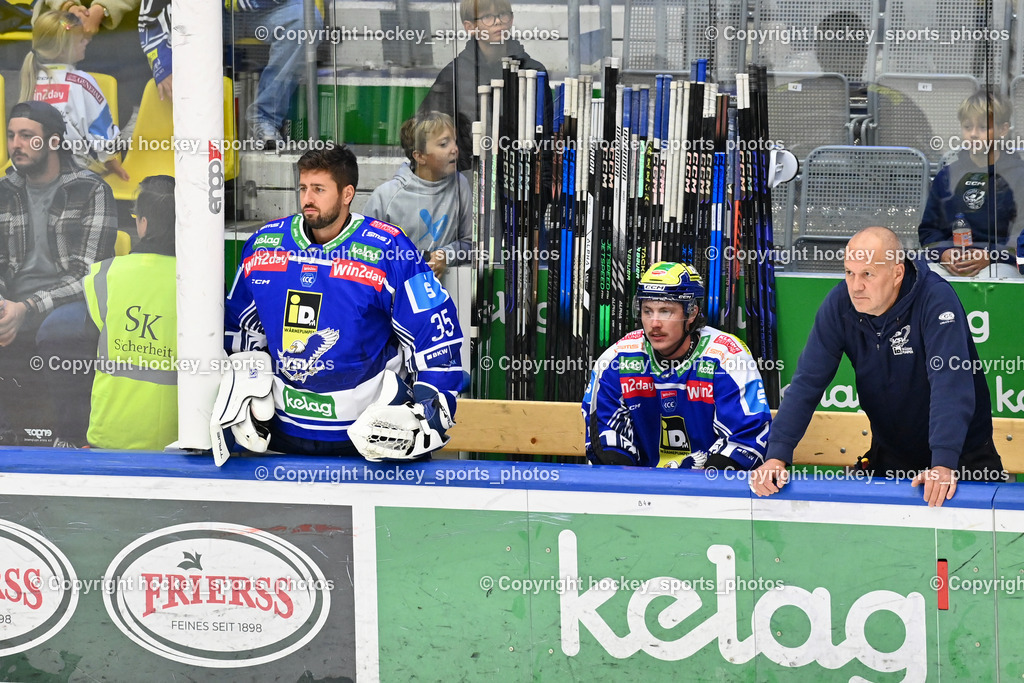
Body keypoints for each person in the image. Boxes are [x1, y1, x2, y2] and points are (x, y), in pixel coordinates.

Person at [218, 145, 463, 462]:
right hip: (279, 436)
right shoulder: (265, 246)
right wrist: (242, 385)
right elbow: (239, 329)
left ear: (347, 194)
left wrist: (429, 412)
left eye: (319, 189)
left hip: (371, 438)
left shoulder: (388, 248)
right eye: (304, 188)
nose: (308, 198)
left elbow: (435, 331)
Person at [752, 227, 1006, 506]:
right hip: (892, 461)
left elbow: (950, 384)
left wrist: (943, 463)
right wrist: (776, 456)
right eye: (849, 273)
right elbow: (806, 383)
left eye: (867, 274)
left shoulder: (935, 298)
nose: (856, 286)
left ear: (897, 274)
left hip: (961, 462)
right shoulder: (840, 304)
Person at [0, 100, 118, 447]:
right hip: (13, 302)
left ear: (53, 142)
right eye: (10, 136)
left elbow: (88, 274)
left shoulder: (90, 189)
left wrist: (27, 307)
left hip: (67, 301)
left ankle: (68, 437)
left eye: (26, 136)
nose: (15, 145)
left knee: (58, 330)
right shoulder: (4, 191)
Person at [582, 262, 772, 469]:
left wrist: (701, 488)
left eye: (665, 311)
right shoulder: (618, 359)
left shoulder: (727, 357)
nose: (654, 323)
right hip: (642, 489)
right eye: (647, 311)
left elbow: (745, 439)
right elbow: (605, 437)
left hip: (709, 489)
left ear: (691, 314)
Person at [134, 0, 322, 146]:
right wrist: (164, 66)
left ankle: (264, 118)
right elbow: (151, 14)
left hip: (268, 8)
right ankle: (195, 128)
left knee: (306, 23)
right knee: (186, 16)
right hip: (210, 12)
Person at [82, 175, 177, 450]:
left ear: (143, 222)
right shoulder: (202, 284)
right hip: (178, 442)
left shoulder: (103, 275)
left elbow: (89, 347)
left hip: (108, 438)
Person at [418, 0, 553, 174]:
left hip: (520, 183)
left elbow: (546, 138)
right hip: (469, 182)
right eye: (487, 16)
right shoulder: (453, 75)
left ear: (511, 19)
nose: (498, 21)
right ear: (469, 26)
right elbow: (425, 135)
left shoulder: (533, 71)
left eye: (503, 14)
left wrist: (544, 189)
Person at [918, 89, 1024, 279]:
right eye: (968, 127)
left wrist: (992, 255)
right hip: (952, 263)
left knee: (995, 280)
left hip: (1001, 264)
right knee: (924, 275)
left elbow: (1021, 235)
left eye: (983, 128)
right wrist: (943, 254)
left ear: (1003, 130)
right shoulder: (947, 176)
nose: (974, 134)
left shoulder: (1019, 176)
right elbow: (929, 230)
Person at [20, 10, 128, 181]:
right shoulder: (82, 82)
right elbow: (103, 131)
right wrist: (110, 160)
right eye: (80, 40)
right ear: (63, 50)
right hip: (76, 177)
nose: (86, 42)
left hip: (32, 174)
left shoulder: (31, 77)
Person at [362, 112, 473, 278]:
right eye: (443, 144)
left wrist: (446, 255)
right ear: (419, 156)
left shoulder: (460, 184)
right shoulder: (385, 196)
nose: (454, 149)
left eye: (454, 141)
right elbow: (365, 252)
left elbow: (472, 243)